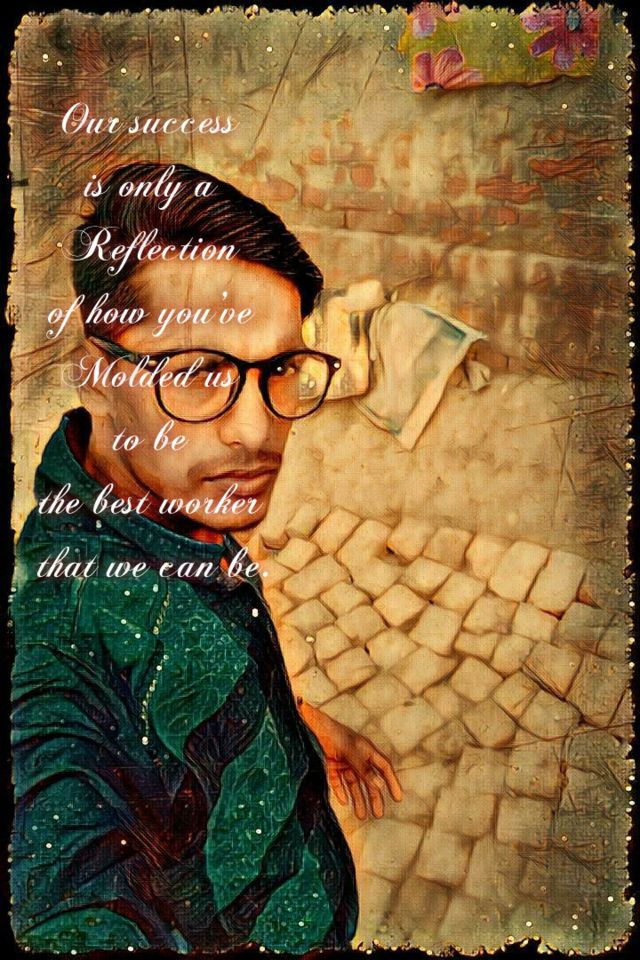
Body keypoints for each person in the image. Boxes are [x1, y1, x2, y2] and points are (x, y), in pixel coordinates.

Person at [10, 161, 403, 955]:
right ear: (96, 373)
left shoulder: (166, 498)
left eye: (280, 370)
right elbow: (70, 886)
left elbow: (195, 686)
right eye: (197, 372)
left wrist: (300, 722)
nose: (256, 432)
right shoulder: (56, 646)